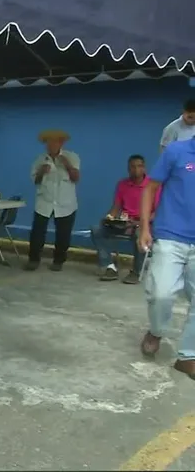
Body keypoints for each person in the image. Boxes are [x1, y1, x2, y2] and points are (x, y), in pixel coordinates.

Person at [137, 136, 195, 378]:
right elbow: (150, 188)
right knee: (161, 293)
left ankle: (188, 356)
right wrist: (144, 228)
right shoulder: (177, 151)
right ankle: (157, 330)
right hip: (171, 235)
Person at [91, 154, 159, 284]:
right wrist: (109, 218)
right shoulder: (122, 185)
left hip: (144, 224)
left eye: (139, 166)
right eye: (132, 167)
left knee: (140, 235)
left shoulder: (152, 186)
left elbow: (157, 212)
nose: (136, 170)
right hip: (125, 223)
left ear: (144, 168)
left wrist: (139, 223)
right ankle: (109, 267)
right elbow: (116, 207)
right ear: (128, 169)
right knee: (97, 230)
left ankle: (136, 272)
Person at [25, 129, 80, 272]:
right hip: (44, 202)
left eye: (55, 141)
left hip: (66, 203)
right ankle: (33, 259)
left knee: (63, 234)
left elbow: (76, 178)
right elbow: (35, 181)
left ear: (61, 143)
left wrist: (67, 164)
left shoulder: (72, 157)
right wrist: (41, 172)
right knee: (37, 233)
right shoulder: (39, 159)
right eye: (49, 142)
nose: (51, 145)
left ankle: (58, 261)